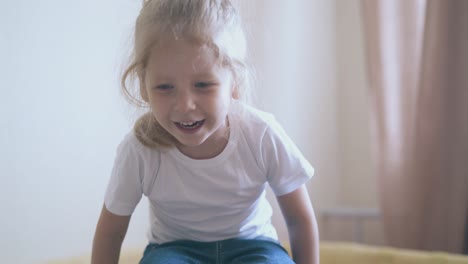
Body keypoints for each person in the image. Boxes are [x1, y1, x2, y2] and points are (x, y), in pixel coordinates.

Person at [91, 0, 319, 263]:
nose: (185, 105)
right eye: (165, 87)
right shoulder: (139, 149)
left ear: (234, 82)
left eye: (203, 84)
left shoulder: (261, 134)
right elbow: (111, 232)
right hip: (174, 249)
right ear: (143, 87)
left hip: (254, 246)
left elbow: (299, 219)